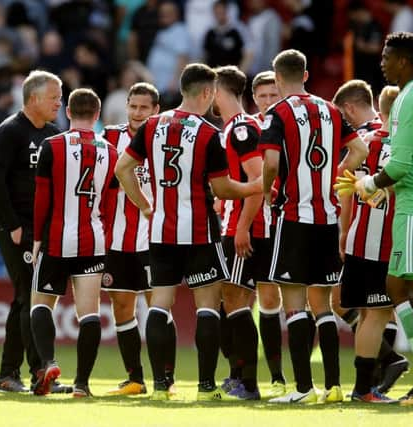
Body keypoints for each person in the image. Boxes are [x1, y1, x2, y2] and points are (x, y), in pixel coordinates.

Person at [115, 63, 261, 401]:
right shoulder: (209, 133)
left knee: (158, 306)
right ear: (208, 93)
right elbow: (223, 189)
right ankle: (206, 387)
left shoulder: (152, 125)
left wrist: (145, 205)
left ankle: (161, 387)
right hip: (199, 233)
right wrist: (253, 185)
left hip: (161, 231)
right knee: (207, 307)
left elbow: (124, 169)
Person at [340, 32, 413, 405]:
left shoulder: (408, 99)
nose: (382, 63)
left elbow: (402, 164)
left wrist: (368, 183)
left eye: (387, 57)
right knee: (395, 285)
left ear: (404, 61)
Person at [260, 49, 358, 404]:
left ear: (277, 77)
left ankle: (302, 389)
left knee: (295, 304)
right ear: (304, 74)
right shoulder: (332, 110)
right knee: (323, 306)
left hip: (294, 218)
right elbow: (359, 149)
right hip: (327, 219)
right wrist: (331, 177)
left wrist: (268, 188)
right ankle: (333, 387)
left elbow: (270, 161)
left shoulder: (279, 112)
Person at [29, 88, 119, 398]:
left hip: (55, 239)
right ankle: (82, 384)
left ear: (68, 112)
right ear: (97, 115)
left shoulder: (51, 145)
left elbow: (42, 198)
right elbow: (110, 201)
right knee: (89, 313)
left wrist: (37, 238)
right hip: (92, 241)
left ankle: (49, 363)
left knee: (40, 305)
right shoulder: (111, 150)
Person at [0, 69, 70, 393]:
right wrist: (13, 226)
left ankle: (9, 375)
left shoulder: (52, 132)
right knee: (28, 294)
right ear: (33, 98)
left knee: (27, 297)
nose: (58, 103)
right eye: (54, 97)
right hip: (17, 226)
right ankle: (38, 371)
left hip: (42, 228)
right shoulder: (9, 132)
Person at [331, 79, 409, 396]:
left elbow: (344, 188)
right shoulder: (403, 147)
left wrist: (344, 230)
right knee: (377, 314)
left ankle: (372, 380)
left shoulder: (361, 142)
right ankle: (369, 385)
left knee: (366, 314)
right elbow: (396, 192)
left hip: (358, 238)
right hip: (385, 242)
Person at [102, 82, 178, 396]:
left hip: (154, 238)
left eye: (143, 107)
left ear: (155, 109)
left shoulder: (166, 137)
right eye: (132, 106)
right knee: (121, 305)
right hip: (116, 239)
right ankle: (135, 379)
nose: (136, 113)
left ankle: (166, 379)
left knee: (158, 308)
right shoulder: (109, 137)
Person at [212, 65, 264, 400]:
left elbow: (258, 182)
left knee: (235, 300)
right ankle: (237, 378)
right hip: (233, 224)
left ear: (218, 89)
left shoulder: (242, 128)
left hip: (244, 228)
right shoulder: (232, 128)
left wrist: (243, 226)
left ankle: (248, 383)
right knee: (230, 301)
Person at [250, 70, 287, 397]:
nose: (267, 101)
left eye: (273, 95)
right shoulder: (245, 129)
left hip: (283, 223)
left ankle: (278, 376)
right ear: (253, 99)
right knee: (237, 298)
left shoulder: (291, 125)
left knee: (276, 298)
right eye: (262, 96)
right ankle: (245, 373)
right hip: (249, 226)